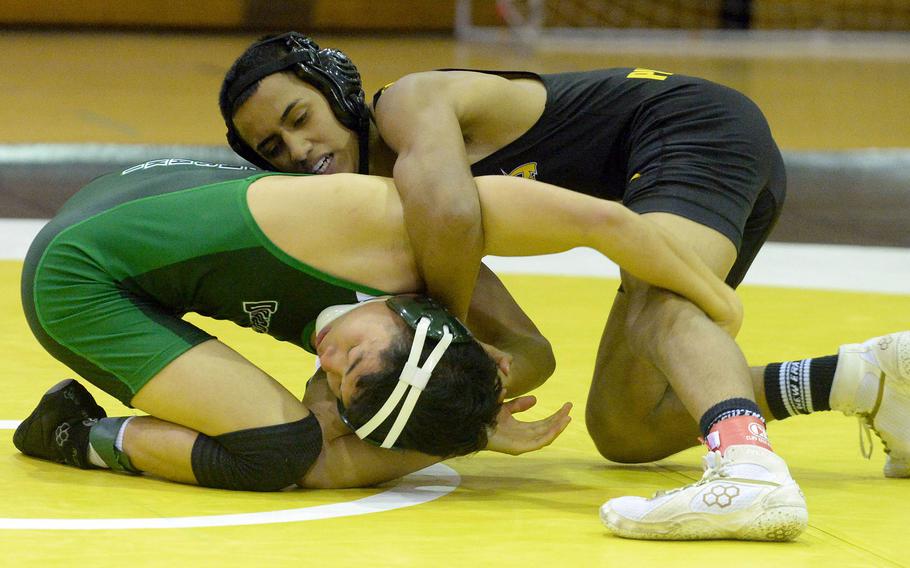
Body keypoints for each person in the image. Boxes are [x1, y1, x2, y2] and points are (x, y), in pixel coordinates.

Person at [217, 32, 910, 540]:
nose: (299, 151)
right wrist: (476, 397)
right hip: (662, 177)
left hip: (687, 128)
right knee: (625, 427)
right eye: (273, 149)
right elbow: (529, 351)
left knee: (656, 304)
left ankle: (751, 470)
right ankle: (863, 381)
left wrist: (438, 340)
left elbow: (456, 216)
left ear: (337, 92)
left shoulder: (410, 104)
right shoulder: (393, 212)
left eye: (299, 118)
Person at [14, 159, 738, 494]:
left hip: (126, 193)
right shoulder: (408, 227)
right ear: (409, 318)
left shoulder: (386, 324)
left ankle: (79, 427)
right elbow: (600, 221)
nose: (325, 363)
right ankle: (79, 438)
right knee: (276, 451)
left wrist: (467, 428)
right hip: (76, 276)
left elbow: (529, 357)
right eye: (353, 360)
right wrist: (719, 298)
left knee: (306, 438)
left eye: (338, 378)